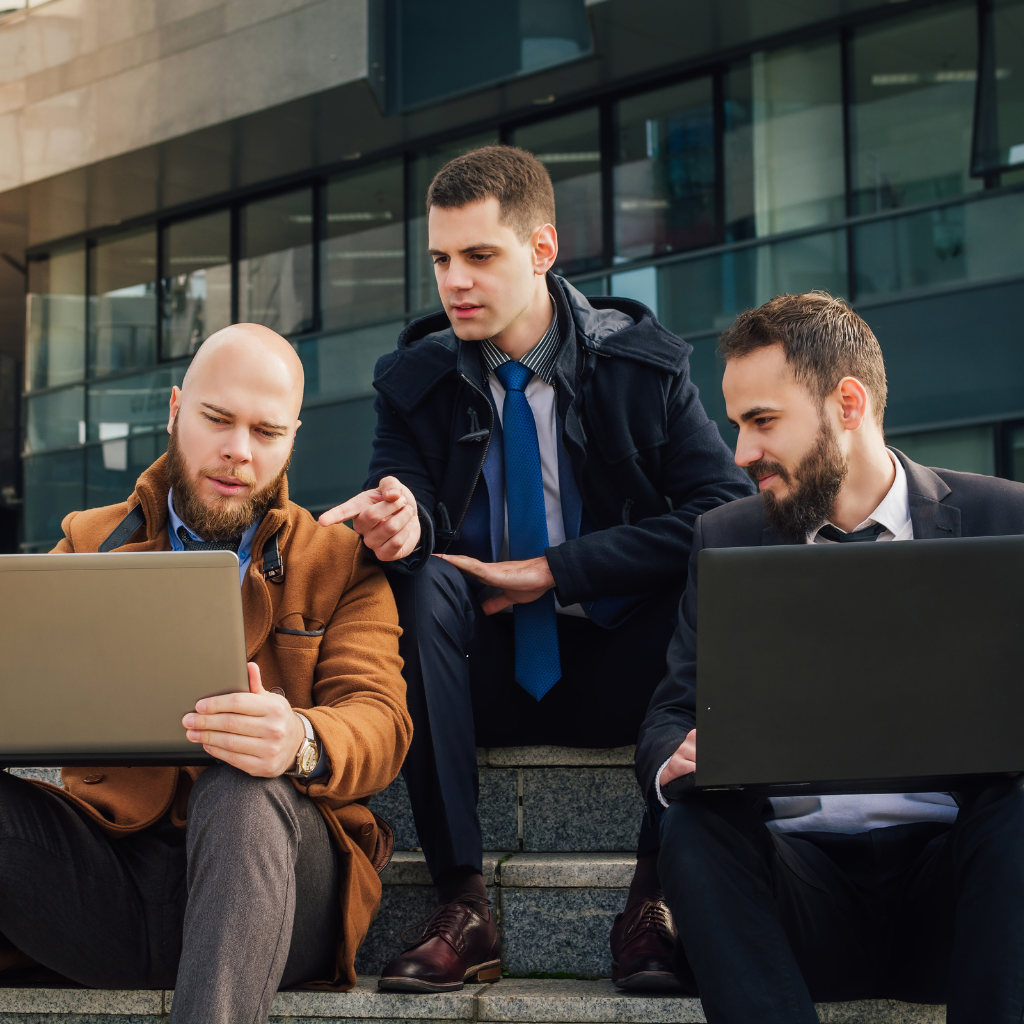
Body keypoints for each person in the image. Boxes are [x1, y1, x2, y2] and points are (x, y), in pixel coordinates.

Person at [320, 145, 752, 993]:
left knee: (722, 581)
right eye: (442, 260)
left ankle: (654, 895)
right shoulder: (411, 381)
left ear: (542, 250)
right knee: (418, 578)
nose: (456, 282)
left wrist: (555, 570)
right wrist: (398, 522)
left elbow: (721, 510)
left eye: (480, 256)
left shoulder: (643, 367)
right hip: (474, 675)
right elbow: (399, 489)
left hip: (621, 662)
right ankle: (462, 901)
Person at [0, 325, 411, 1024]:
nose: (238, 452)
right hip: (114, 885)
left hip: (278, 887)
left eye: (266, 432)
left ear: (293, 439)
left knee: (241, 781)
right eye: (217, 419)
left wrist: (299, 739)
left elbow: (381, 720)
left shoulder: (342, 563)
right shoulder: (89, 544)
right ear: (175, 410)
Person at [635, 291, 1024, 1024]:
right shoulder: (725, 536)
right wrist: (674, 757)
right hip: (792, 907)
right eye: (737, 426)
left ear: (848, 404)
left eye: (762, 422)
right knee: (690, 823)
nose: (742, 453)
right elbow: (671, 708)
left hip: (966, 902)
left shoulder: (1008, 518)